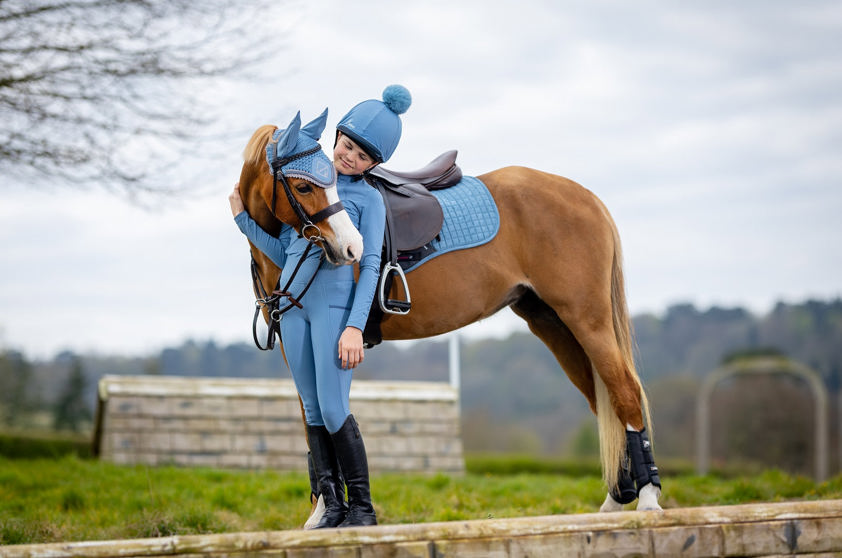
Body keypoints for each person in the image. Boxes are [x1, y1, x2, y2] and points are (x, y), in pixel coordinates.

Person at [228, 85, 412, 528]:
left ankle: (362, 509)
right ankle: (331, 504)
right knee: (311, 408)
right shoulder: (308, 179)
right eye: (347, 145)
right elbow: (283, 247)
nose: (350, 158)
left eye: (363, 156)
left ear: (373, 164)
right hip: (292, 309)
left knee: (333, 407)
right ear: (337, 139)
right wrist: (242, 220)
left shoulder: (368, 199)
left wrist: (353, 327)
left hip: (332, 309)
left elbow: (369, 266)